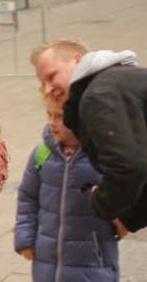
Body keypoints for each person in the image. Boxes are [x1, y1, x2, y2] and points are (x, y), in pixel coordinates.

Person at [32, 38, 147, 239]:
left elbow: (128, 169)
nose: (49, 89)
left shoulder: (98, 94)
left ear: (77, 61)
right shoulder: (115, 81)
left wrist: (102, 204)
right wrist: (130, 217)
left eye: (52, 76)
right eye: (43, 85)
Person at [14, 92, 120, 282]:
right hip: (47, 265)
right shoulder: (42, 154)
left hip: (92, 264)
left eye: (60, 116)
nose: (52, 122)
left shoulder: (101, 157)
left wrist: (122, 222)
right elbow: (28, 198)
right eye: (49, 115)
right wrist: (25, 236)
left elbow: (122, 195)